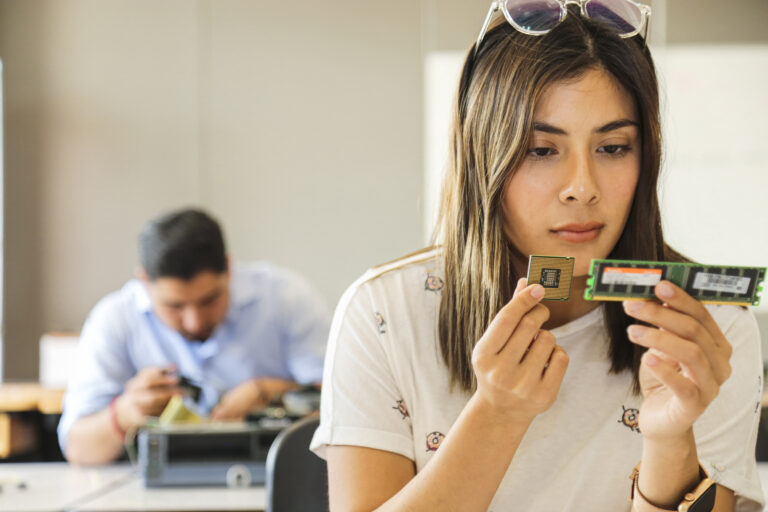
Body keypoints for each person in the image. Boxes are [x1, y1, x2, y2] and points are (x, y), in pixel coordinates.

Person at [310, 2, 764, 511]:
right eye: (541, 150)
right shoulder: (383, 314)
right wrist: (498, 415)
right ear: (483, 155)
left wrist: (668, 443)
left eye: (613, 147)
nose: (582, 188)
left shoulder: (710, 326)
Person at [59, 208, 331, 465]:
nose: (195, 321)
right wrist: (125, 414)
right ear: (144, 282)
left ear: (228, 268)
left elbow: (341, 412)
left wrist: (271, 394)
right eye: (175, 306)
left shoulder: (285, 299)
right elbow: (77, 447)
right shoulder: (115, 319)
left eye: (209, 300)